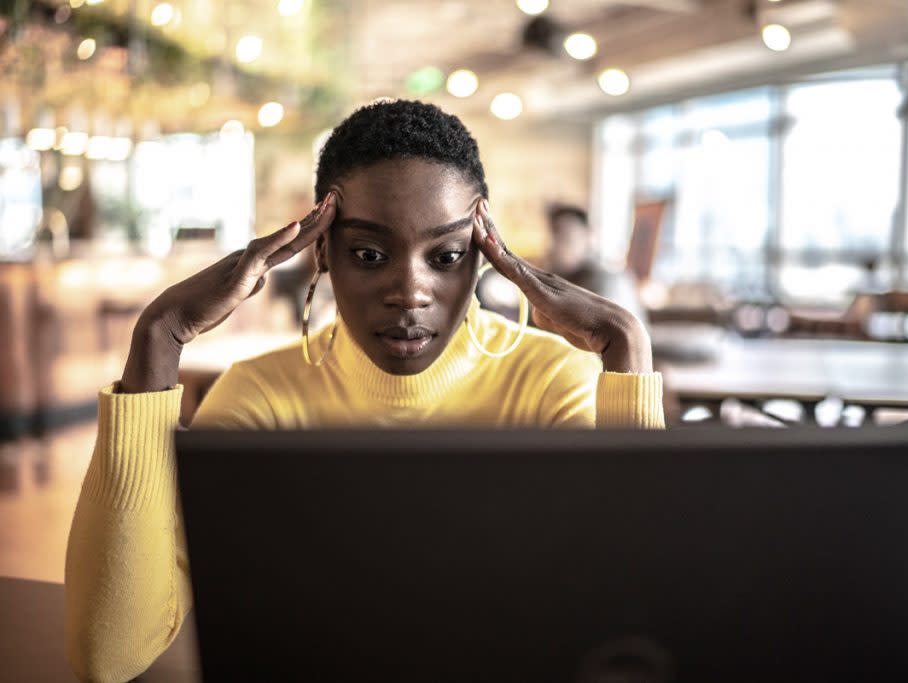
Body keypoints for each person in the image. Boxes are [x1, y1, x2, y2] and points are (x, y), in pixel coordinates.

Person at [65, 99, 664, 682]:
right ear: (322, 252)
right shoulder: (261, 399)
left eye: (447, 255)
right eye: (370, 254)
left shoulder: (551, 383)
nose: (410, 290)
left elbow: (638, 626)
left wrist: (626, 346)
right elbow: (110, 656)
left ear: (484, 256)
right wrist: (159, 335)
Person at [546, 203, 648, 328]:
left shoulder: (605, 280)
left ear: (589, 237)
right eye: (553, 237)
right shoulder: (565, 276)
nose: (554, 247)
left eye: (566, 238)